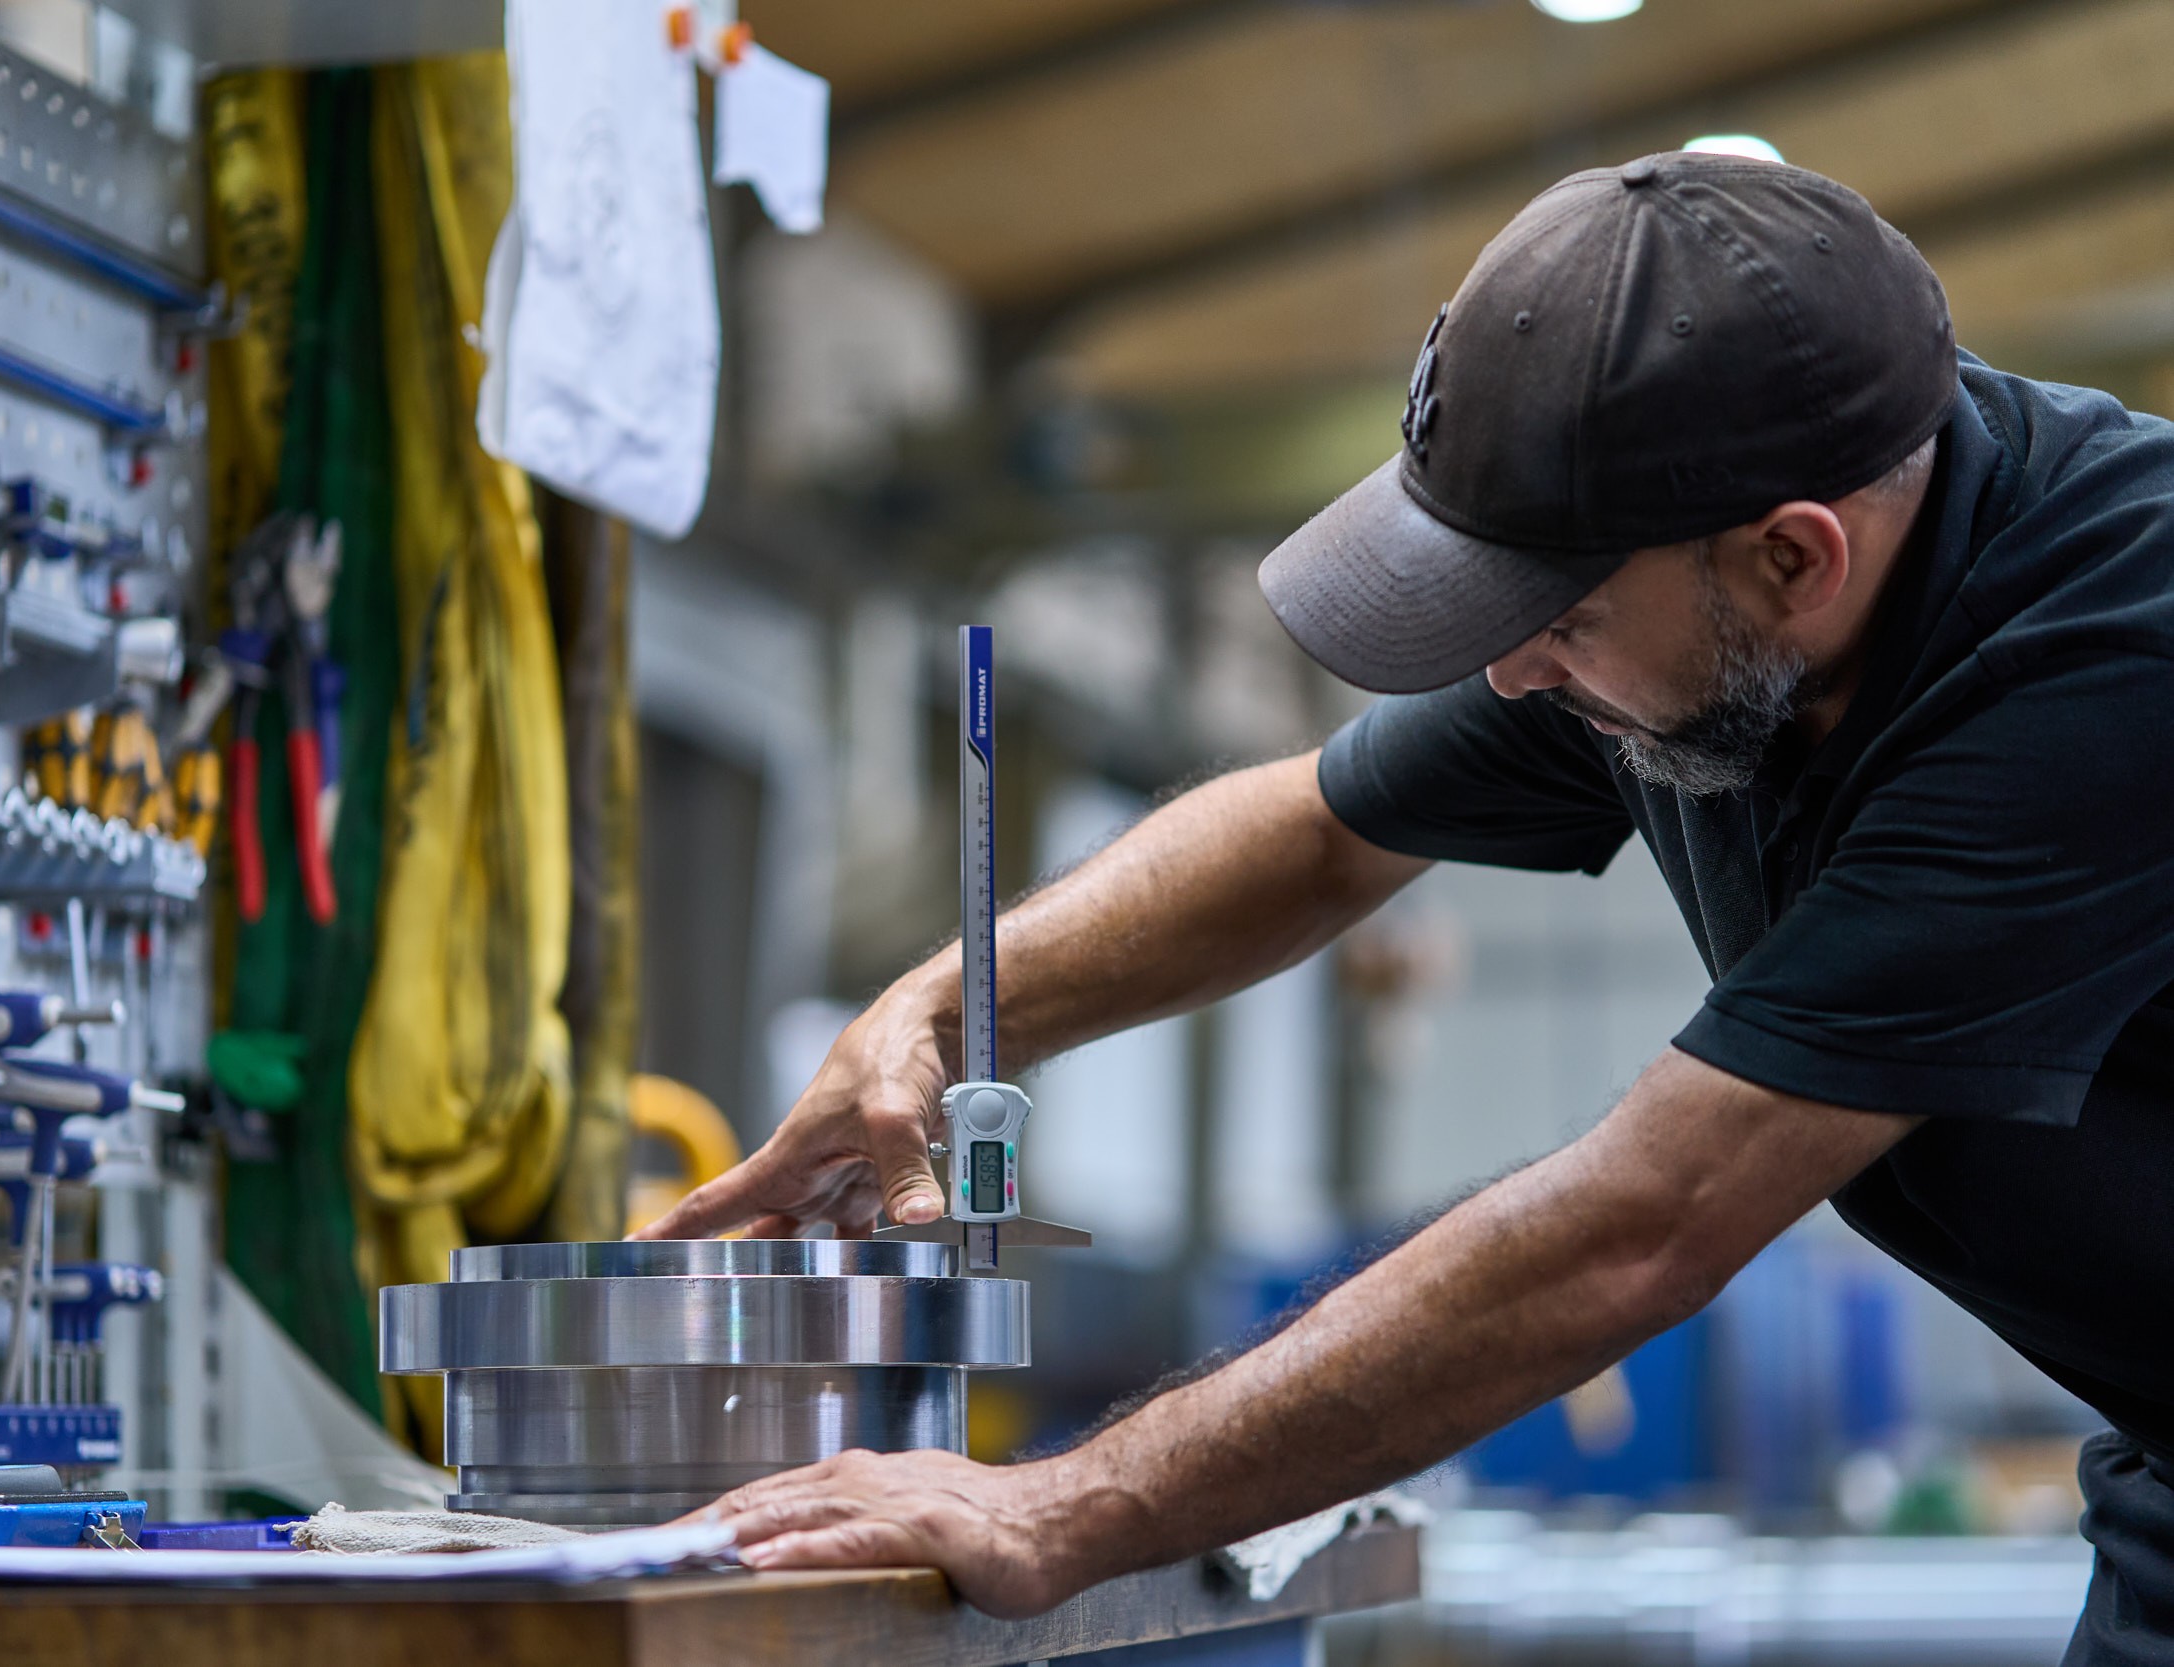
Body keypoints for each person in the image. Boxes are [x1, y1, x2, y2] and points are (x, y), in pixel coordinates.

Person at [641, 152, 2174, 1665]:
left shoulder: (2107, 672)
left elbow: (1644, 1224)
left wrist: (1064, 1508)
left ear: (1792, 557)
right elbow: (1318, 833)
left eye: (1557, 622)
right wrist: (954, 1009)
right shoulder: (1699, 612)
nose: (1512, 674)